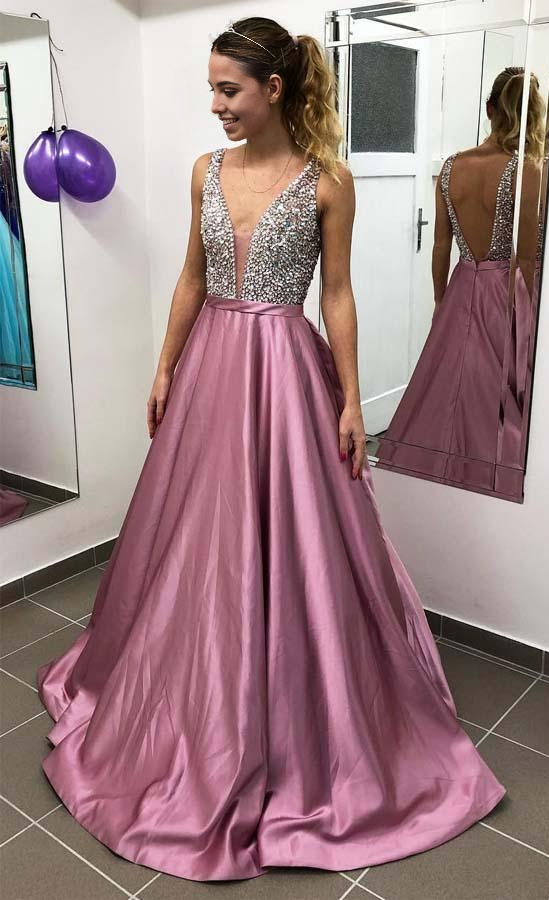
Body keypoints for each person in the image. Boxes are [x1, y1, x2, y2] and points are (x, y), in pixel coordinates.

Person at [36, 16, 506, 883]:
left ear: (274, 89)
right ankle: (197, 694)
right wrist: (164, 365)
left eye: (229, 90)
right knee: (198, 537)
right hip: (211, 369)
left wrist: (352, 400)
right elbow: (191, 276)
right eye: (212, 90)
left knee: (298, 539)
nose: (216, 105)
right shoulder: (204, 172)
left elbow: (338, 294)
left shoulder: (328, 181)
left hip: (286, 372)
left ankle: (298, 709)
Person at [376, 67, 546, 501]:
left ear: (489, 109)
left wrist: (441, 299)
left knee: (448, 386)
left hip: (461, 284)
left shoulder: (452, 166)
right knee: (494, 392)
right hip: (505, 290)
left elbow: (440, 244)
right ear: (533, 116)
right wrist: (534, 316)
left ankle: (436, 481)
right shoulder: (526, 169)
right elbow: (528, 258)